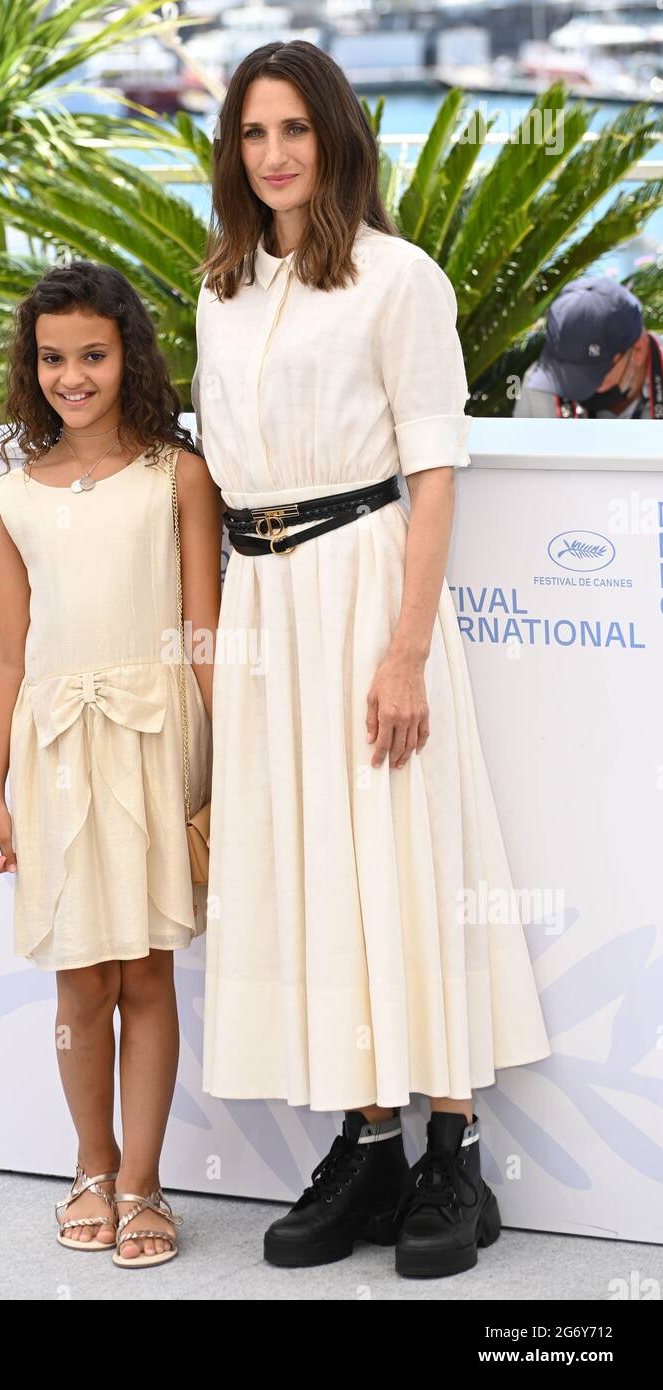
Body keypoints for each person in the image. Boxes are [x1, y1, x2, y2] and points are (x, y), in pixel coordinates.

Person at [191, 40, 551, 1279]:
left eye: (296, 129)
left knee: (401, 854)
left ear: (339, 137)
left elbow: (433, 469)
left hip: (362, 585)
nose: (276, 154)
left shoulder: (401, 279)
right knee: (304, 870)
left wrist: (405, 648)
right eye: (253, 134)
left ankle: (455, 1150)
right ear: (233, 153)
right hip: (262, 601)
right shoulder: (221, 287)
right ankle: (369, 1147)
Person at [0, 262, 222, 1267]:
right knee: (82, 981)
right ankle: (90, 1162)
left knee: (149, 971)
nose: (71, 375)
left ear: (129, 357)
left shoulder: (178, 475)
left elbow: (204, 626)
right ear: (31, 368)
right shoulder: (9, 496)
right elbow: (7, 649)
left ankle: (143, 1182)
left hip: (157, 736)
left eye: (91, 355)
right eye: (52, 358)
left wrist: (223, 763)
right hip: (56, 750)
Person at [513, 275, 663, 419]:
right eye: (566, 368)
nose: (575, 384)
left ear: (638, 351)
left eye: (593, 371)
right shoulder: (540, 386)